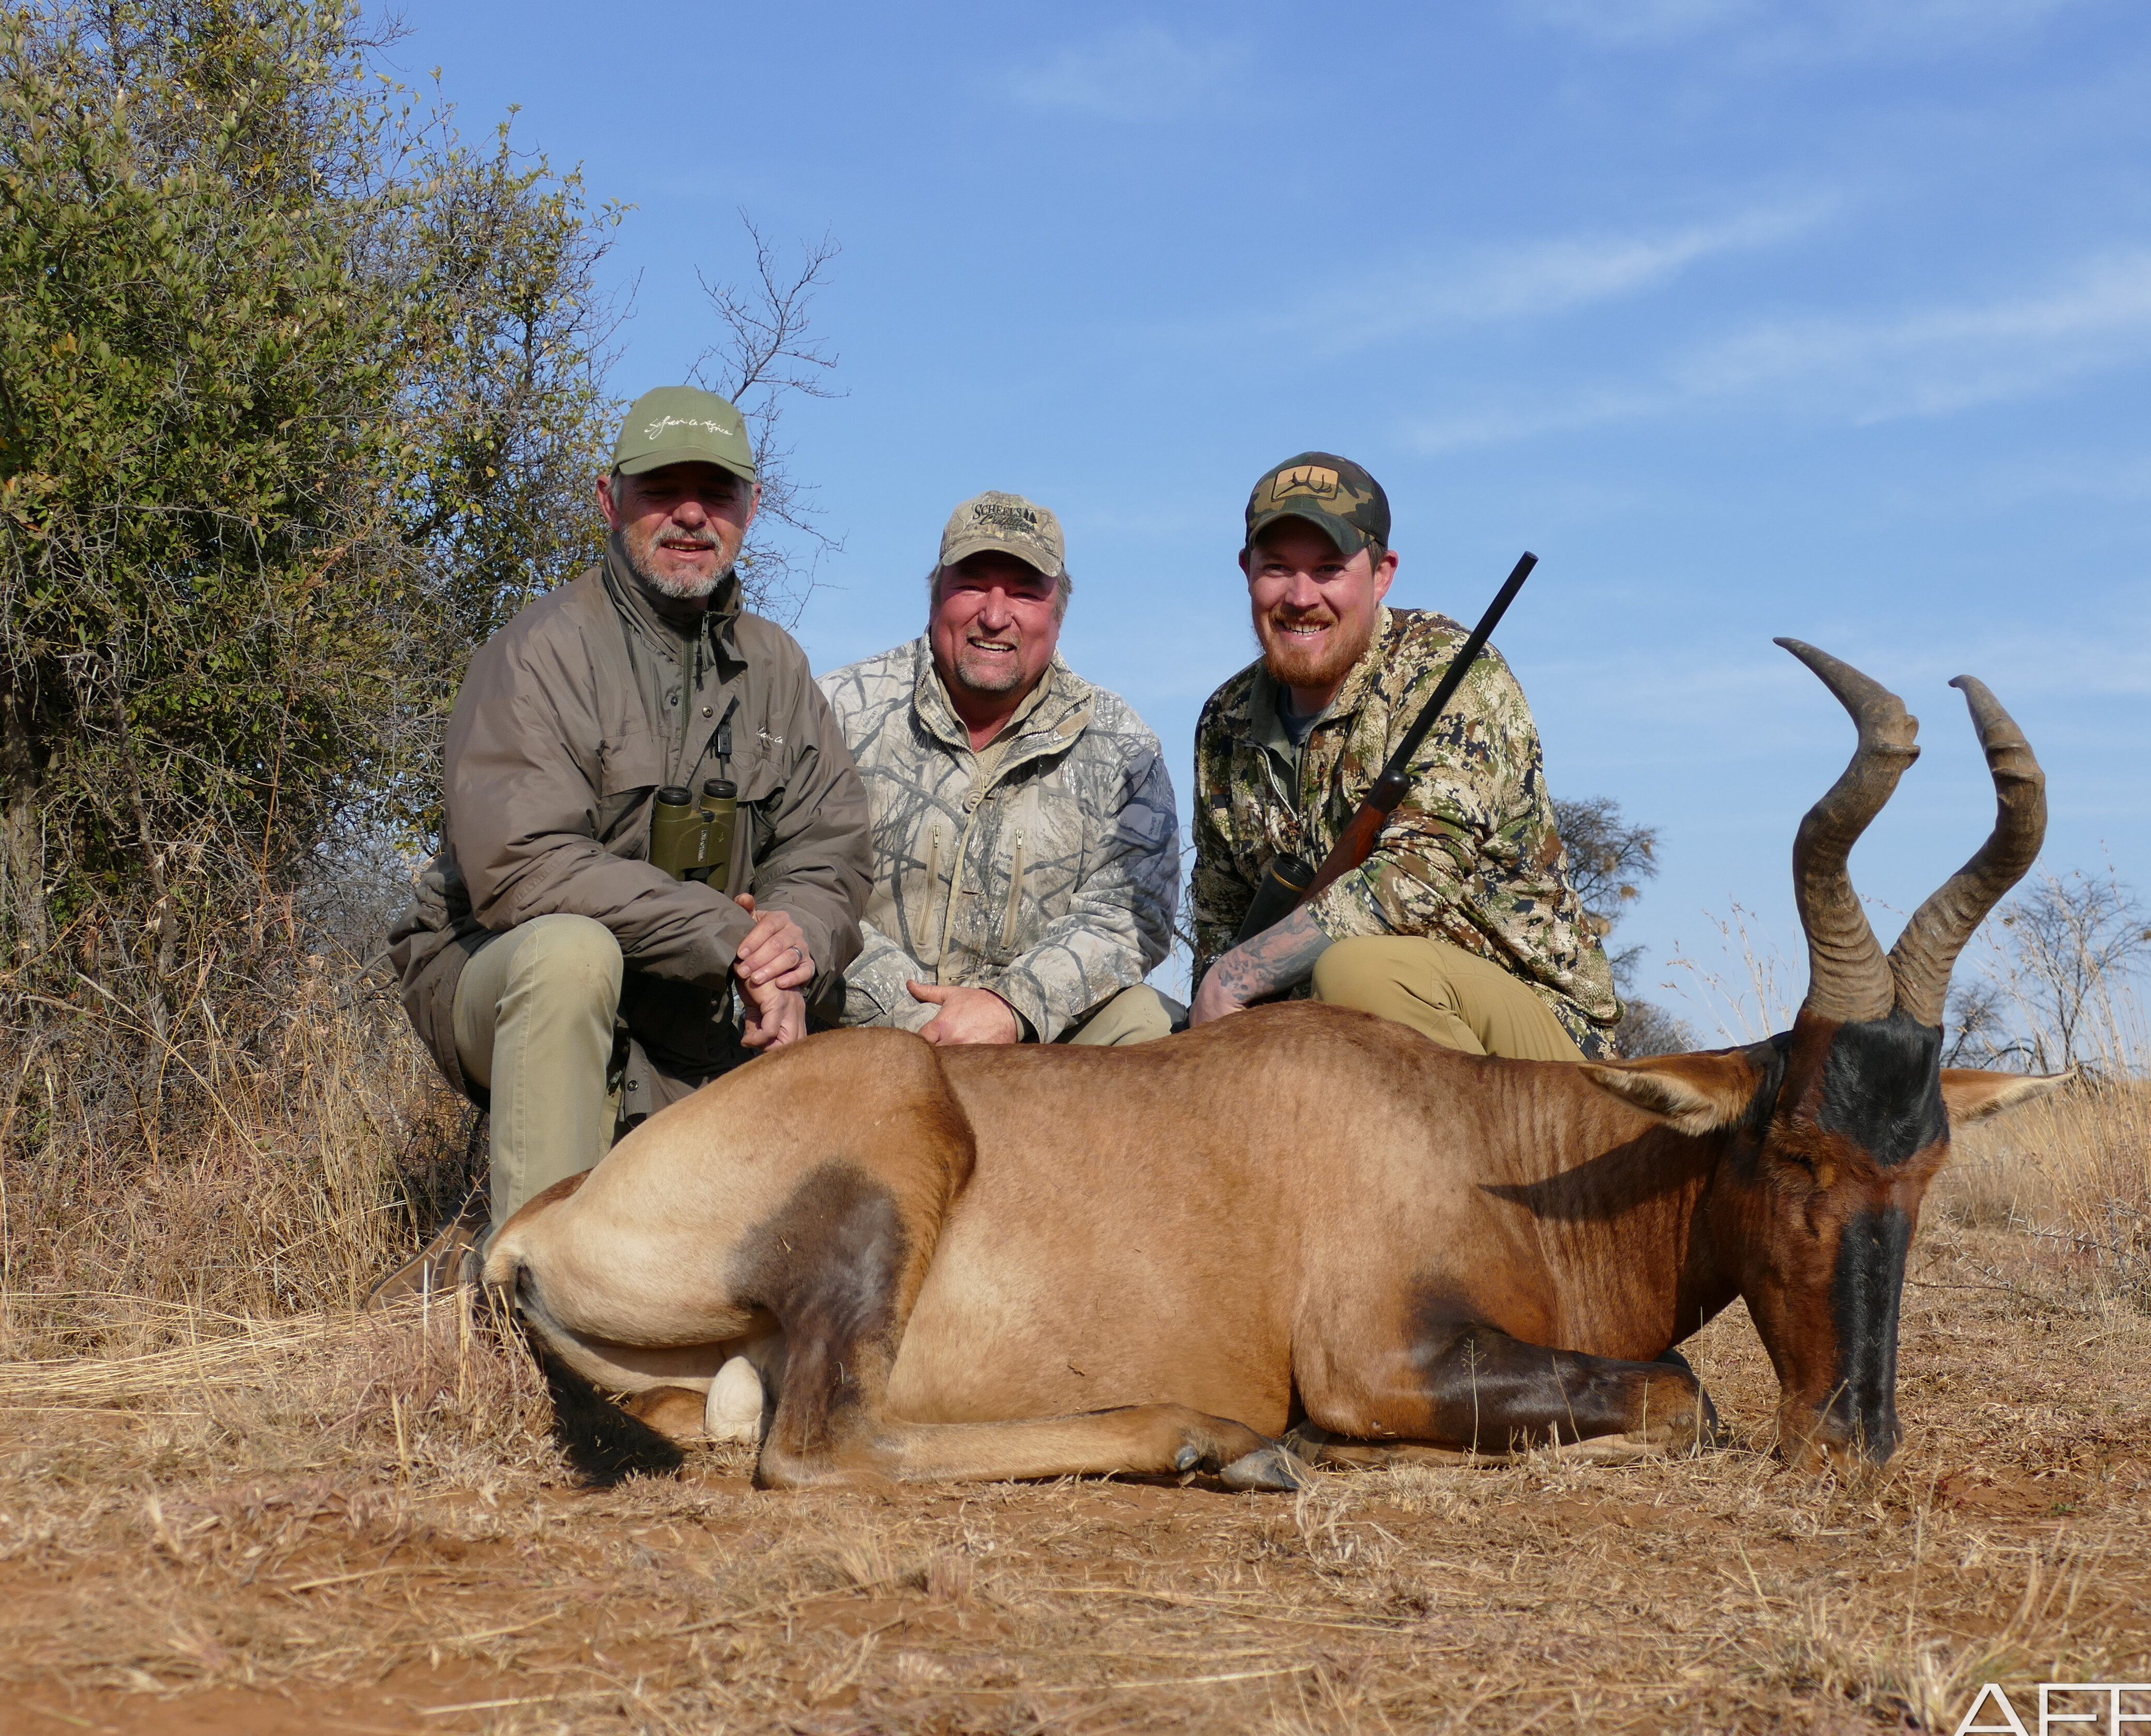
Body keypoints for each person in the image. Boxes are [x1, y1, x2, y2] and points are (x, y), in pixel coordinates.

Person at [381, 386, 871, 1287]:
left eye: (715, 493)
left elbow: (827, 845)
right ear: (609, 501)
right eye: (661, 490)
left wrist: (793, 940)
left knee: (863, 1011)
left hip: (687, 984)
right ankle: (535, 1292)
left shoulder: (778, 667)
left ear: (750, 509)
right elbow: (524, 870)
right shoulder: (539, 652)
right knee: (570, 954)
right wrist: (733, 938)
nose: (690, 514)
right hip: (495, 970)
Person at [1187, 451, 1621, 1057]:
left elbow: (1419, 876)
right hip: (1331, 1035)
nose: (1301, 596)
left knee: (1359, 974)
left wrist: (1237, 978)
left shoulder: (1450, 671)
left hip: (1532, 1044)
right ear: (1246, 570)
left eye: (1330, 569)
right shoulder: (1224, 719)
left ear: (1382, 573)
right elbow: (1219, 910)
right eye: (1277, 567)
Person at [821, 491, 1182, 1047]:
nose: (994, 615)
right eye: (972, 585)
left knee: (1152, 1024)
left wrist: (1011, 1009)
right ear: (935, 595)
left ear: (1057, 612)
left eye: (1023, 592)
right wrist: (920, 1020)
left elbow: (1130, 920)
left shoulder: (1122, 744)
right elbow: (801, 882)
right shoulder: (839, 710)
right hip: (864, 1036)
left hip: (1039, 1050)